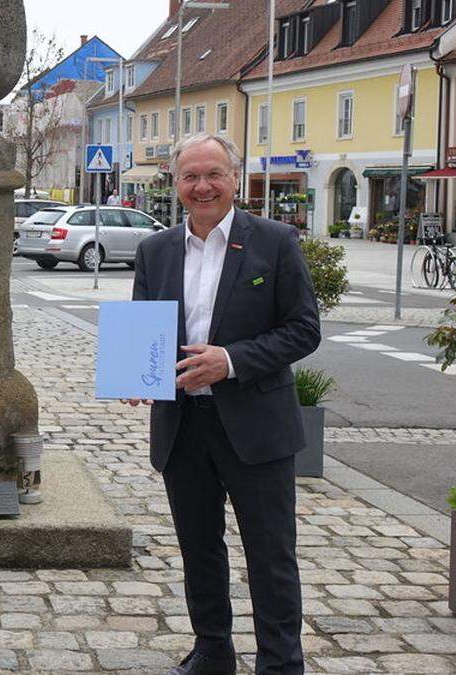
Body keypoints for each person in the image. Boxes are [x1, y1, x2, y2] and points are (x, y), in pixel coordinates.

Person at [128, 133, 320, 675]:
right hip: (183, 424)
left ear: (235, 178)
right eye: (190, 177)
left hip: (256, 425)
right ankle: (213, 652)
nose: (202, 186)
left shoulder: (276, 241)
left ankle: (280, 665)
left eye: (214, 174)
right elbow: (149, 329)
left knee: (270, 555)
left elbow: (304, 330)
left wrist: (230, 360)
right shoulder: (155, 250)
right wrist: (138, 369)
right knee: (199, 548)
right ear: (176, 183)